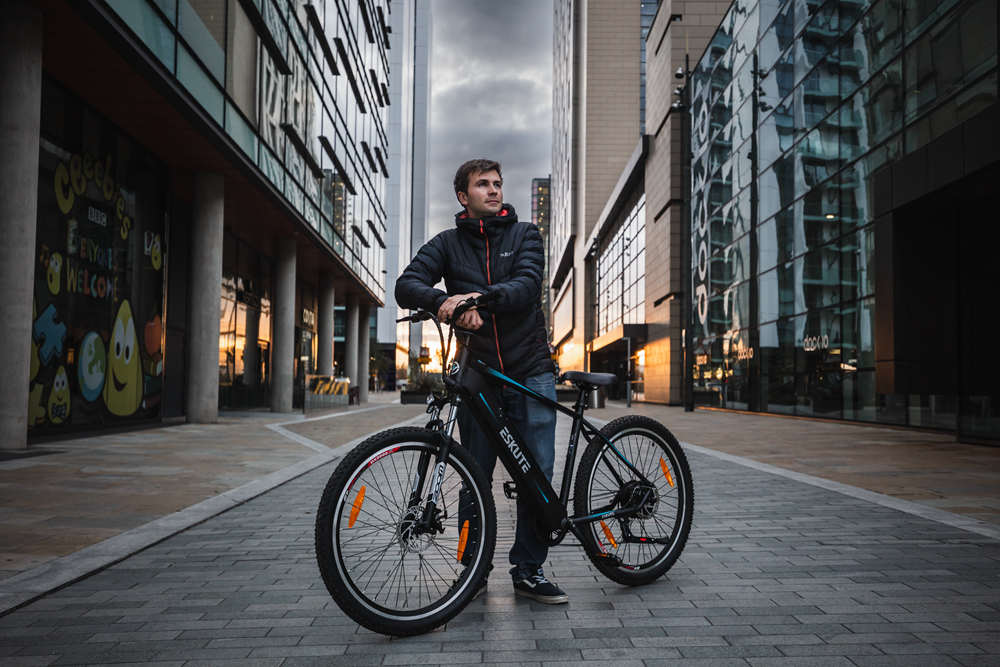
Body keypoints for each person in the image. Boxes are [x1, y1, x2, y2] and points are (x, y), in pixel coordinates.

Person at [394, 158, 566, 604]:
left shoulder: (526, 234)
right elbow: (406, 284)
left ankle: (528, 569)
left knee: (536, 474)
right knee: (474, 475)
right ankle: (475, 570)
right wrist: (443, 302)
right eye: (483, 184)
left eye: (497, 183)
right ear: (463, 195)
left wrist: (476, 299)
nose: (493, 190)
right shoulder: (447, 244)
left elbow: (526, 287)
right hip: (480, 377)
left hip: (531, 370)